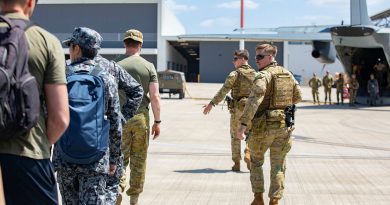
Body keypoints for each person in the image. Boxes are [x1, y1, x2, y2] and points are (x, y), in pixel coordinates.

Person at [0, 0, 70, 204]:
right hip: (29, 157)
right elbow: (60, 118)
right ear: (30, 2)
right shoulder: (46, 41)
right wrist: (40, 144)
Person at [52, 27, 122, 204]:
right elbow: (115, 122)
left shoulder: (61, 75)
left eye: (70, 46)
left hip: (65, 158)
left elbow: (49, 115)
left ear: (77, 48)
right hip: (96, 159)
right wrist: (114, 160)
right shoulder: (106, 78)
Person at [236, 44, 302, 205]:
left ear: (271, 56)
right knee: (278, 165)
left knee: (256, 162)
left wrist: (243, 125)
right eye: (256, 57)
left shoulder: (263, 76)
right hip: (283, 127)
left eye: (260, 57)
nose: (256, 60)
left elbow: (253, 101)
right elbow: (298, 96)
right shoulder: (287, 74)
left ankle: (258, 198)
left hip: (262, 128)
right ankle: (275, 199)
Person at [116, 29, 161, 205]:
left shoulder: (115, 64)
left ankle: (118, 188)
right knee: (139, 159)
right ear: (140, 45)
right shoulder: (148, 66)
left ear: (125, 43)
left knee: (119, 156)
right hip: (141, 118)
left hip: (120, 118)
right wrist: (158, 121)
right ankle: (134, 199)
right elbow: (155, 96)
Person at [94, 55, 144, 204]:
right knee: (109, 189)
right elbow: (137, 90)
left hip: (71, 147)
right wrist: (122, 118)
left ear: (77, 48)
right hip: (106, 141)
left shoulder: (67, 68)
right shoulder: (112, 67)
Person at [203, 49, 256, 172]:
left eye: (235, 59)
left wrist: (211, 104)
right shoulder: (257, 74)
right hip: (252, 109)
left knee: (235, 136)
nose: (233, 62)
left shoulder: (235, 74)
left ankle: (236, 163)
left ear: (243, 59)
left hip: (238, 109)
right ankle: (248, 152)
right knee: (251, 134)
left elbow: (224, 90)